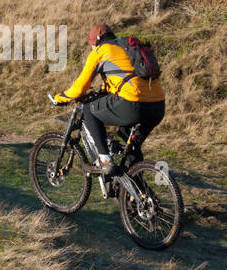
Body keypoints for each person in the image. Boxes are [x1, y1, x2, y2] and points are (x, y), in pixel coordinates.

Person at [53, 22, 165, 177]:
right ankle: (137, 195)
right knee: (130, 145)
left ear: (95, 42)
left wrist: (61, 97)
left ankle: (105, 161)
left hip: (134, 104)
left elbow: (80, 87)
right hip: (158, 105)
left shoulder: (101, 50)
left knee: (88, 109)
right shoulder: (127, 46)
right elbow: (125, 77)